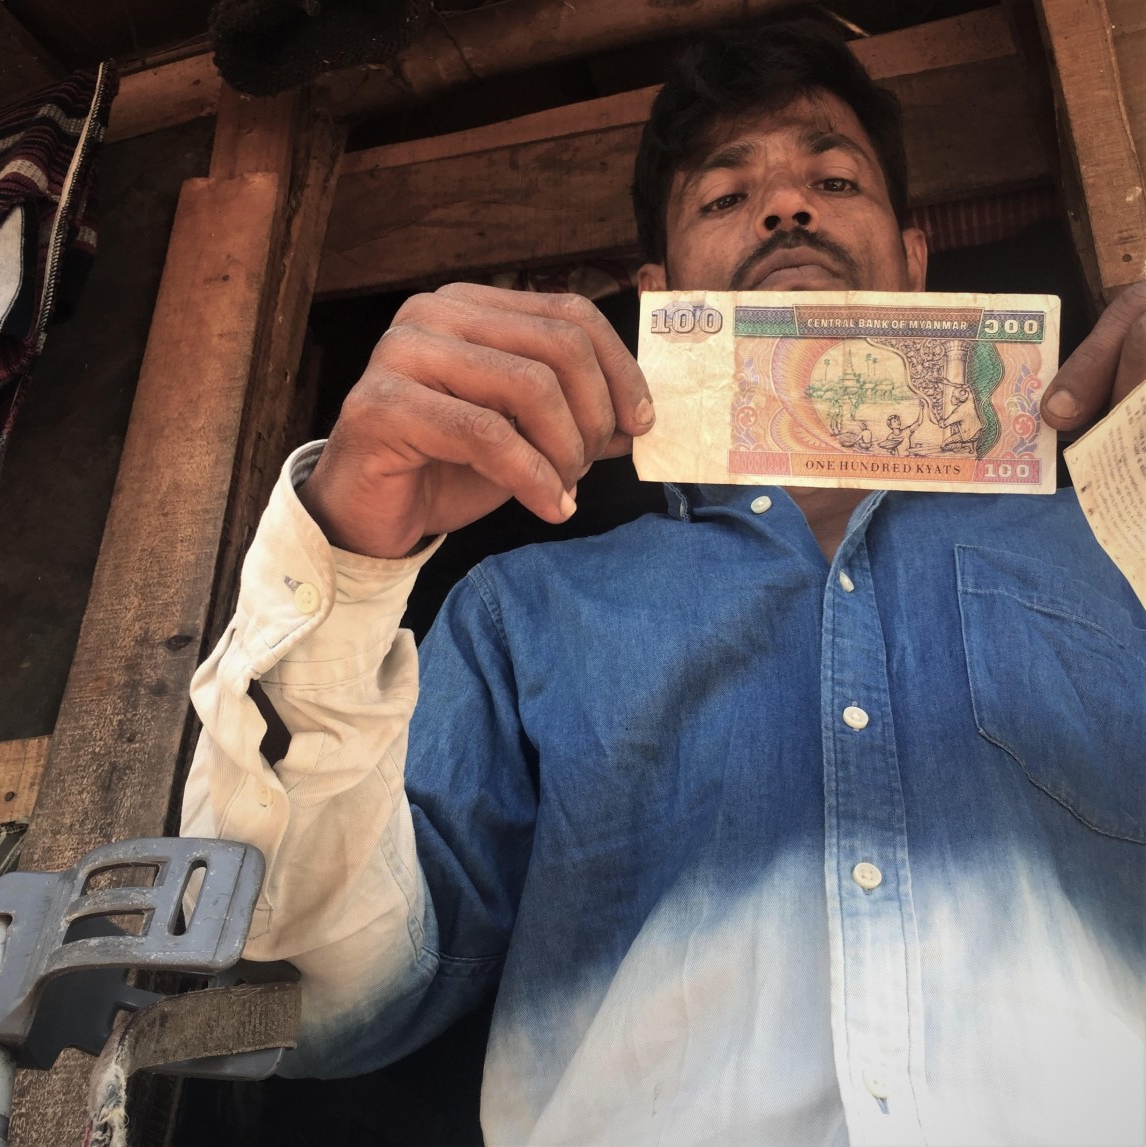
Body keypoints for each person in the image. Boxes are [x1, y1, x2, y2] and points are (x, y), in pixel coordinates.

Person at [182, 18, 1146, 1147]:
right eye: (726, 197)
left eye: (834, 179)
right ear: (658, 294)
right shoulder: (526, 614)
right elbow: (313, 996)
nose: (786, 208)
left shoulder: (1115, 542)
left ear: (916, 259)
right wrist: (344, 560)